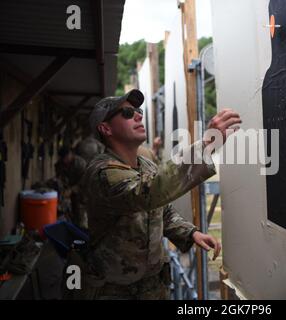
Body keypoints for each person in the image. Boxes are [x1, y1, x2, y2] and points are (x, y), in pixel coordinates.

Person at [78, 89, 241, 299]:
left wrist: (190, 233)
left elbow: (160, 210)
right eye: (127, 113)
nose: (138, 115)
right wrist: (206, 144)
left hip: (152, 287)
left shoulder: (144, 164)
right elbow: (147, 193)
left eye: (138, 110)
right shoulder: (102, 173)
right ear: (106, 128)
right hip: (114, 290)